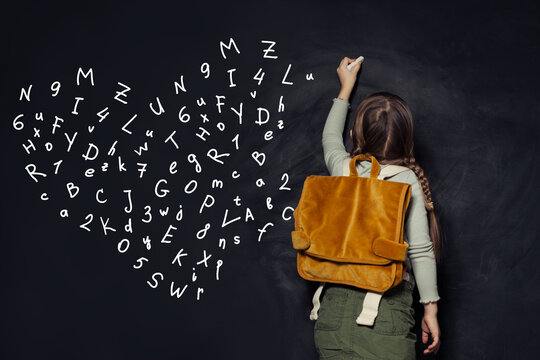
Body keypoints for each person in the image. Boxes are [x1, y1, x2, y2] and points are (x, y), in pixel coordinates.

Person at [313, 57, 441, 359]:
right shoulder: (406, 180)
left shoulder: (343, 169)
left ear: (356, 136)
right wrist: (430, 309)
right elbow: (421, 251)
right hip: (386, 313)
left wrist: (346, 88)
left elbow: (330, 138)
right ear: (405, 142)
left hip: (330, 315)